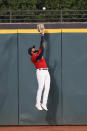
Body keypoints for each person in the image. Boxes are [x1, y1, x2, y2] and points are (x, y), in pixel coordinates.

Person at [28, 32, 50, 111]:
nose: (34, 48)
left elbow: (41, 45)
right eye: (33, 48)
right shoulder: (33, 57)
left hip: (46, 71)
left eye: (34, 47)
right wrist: (43, 49)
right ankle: (37, 103)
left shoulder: (39, 51)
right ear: (31, 52)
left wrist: (42, 35)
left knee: (47, 88)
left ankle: (43, 103)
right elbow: (40, 56)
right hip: (40, 72)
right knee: (41, 87)